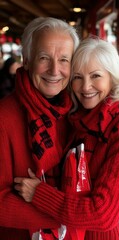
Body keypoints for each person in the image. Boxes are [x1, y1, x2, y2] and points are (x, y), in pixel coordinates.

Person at [14, 36, 119, 239]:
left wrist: (40, 194)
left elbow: (103, 215)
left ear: (113, 78)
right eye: (77, 77)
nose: (85, 87)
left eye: (96, 76)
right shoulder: (79, 119)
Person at [0, 17, 80, 239]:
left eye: (64, 59)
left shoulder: (78, 111)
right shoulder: (4, 117)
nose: (55, 70)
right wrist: (69, 215)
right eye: (44, 58)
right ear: (27, 60)